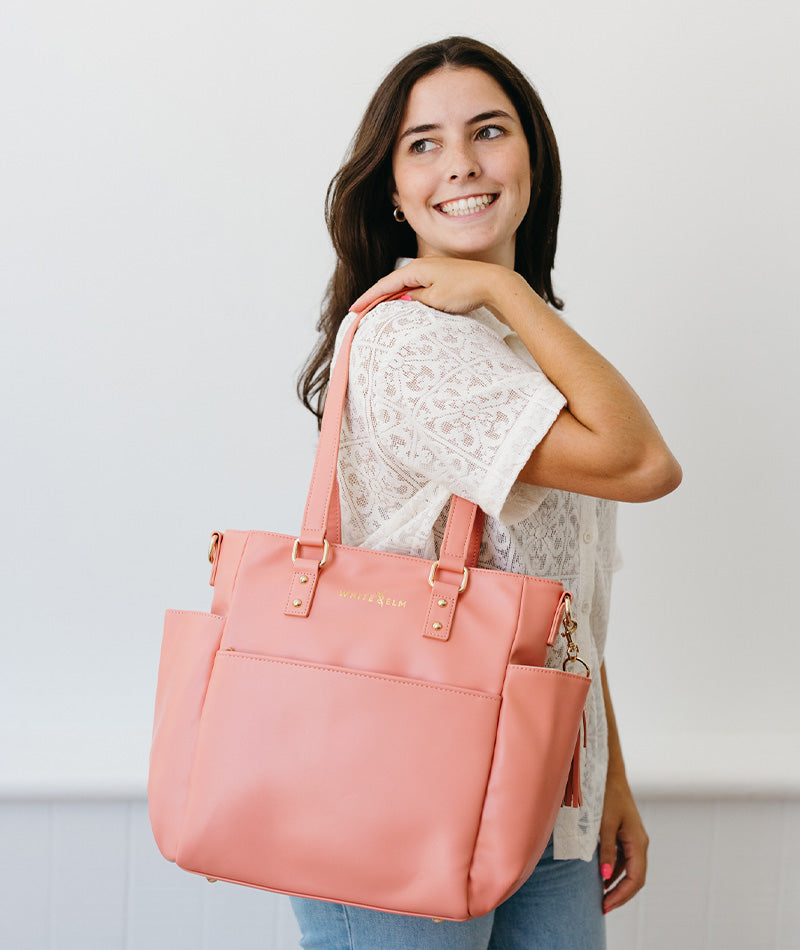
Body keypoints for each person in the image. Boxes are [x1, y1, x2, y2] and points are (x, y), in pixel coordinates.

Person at [294, 35, 681, 950]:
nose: (460, 163)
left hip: (545, 801)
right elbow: (644, 464)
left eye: (488, 131)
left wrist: (607, 771)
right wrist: (510, 293)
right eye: (422, 143)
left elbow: (564, 603)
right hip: (403, 798)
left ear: (531, 160)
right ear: (392, 188)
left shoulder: (517, 353)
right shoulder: (408, 341)